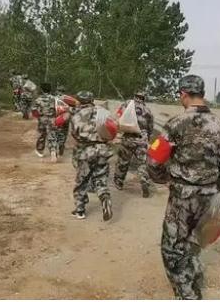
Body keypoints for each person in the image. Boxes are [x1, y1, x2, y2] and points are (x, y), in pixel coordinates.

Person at [148, 75, 220, 299]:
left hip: (183, 198)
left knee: (172, 249)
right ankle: (194, 276)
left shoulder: (176, 123)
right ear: (202, 93)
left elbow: (154, 160)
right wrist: (218, 190)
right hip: (209, 195)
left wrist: (163, 179)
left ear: (183, 94)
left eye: (180, 95)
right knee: (195, 240)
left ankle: (188, 295)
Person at [70, 91, 113, 221]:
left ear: (79, 101)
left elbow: (75, 134)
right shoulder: (103, 113)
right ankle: (105, 198)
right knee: (100, 178)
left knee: (82, 181)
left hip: (85, 152)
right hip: (102, 150)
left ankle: (80, 210)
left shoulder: (77, 115)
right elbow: (111, 129)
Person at [113, 91, 155, 197]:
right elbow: (150, 128)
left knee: (123, 161)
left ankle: (118, 182)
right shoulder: (148, 110)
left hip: (128, 137)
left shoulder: (127, 104)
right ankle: (144, 179)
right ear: (144, 98)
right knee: (143, 163)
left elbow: (118, 117)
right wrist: (147, 139)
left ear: (135, 96)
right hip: (142, 139)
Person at [32, 82, 59, 162]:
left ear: (42, 89)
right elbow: (59, 108)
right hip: (52, 119)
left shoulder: (38, 99)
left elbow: (34, 110)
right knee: (52, 135)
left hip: (42, 119)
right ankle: (53, 152)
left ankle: (40, 151)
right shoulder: (55, 99)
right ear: (50, 89)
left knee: (42, 135)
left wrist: (38, 117)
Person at [55, 85, 71, 156]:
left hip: (56, 118)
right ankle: (61, 144)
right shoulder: (67, 98)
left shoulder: (54, 98)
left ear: (57, 91)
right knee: (64, 132)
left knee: (55, 132)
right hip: (65, 118)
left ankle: (56, 144)